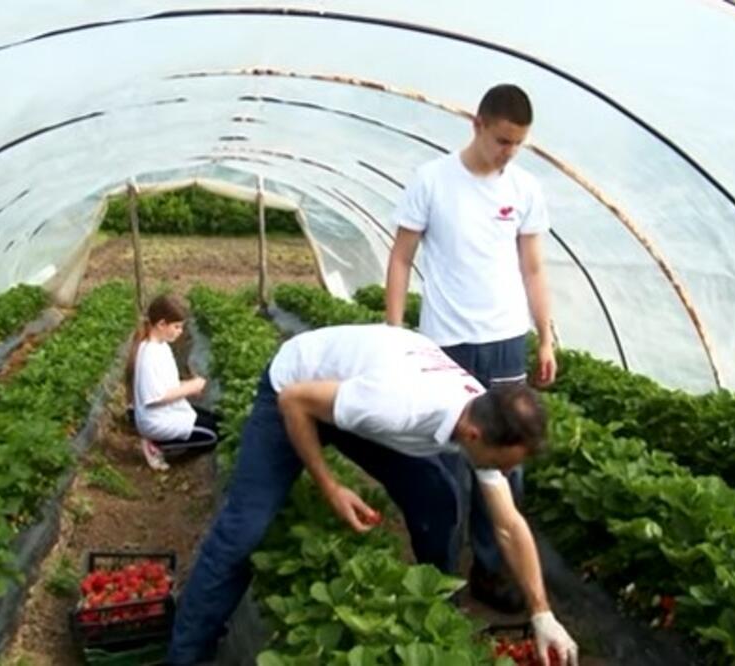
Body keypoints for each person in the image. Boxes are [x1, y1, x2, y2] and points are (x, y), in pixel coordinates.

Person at [167, 324, 577, 666]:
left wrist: (542, 612)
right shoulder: (400, 405)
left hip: (353, 392)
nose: (505, 471)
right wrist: (331, 486)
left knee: (438, 497)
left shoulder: (481, 415)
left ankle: (434, 604)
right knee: (244, 530)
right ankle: (186, 654)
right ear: (474, 436)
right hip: (293, 389)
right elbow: (296, 402)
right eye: (505, 462)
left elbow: (508, 525)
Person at [385, 83, 556, 612]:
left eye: (518, 144)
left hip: (506, 342)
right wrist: (394, 333)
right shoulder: (432, 181)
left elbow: (532, 267)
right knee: (445, 461)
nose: (508, 152)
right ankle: (439, 573)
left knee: (504, 462)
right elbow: (400, 258)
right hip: (448, 343)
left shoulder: (524, 189)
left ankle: (491, 568)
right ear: (477, 124)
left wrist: (545, 335)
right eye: (502, 140)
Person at [125, 294, 218, 472]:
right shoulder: (149, 355)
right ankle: (157, 446)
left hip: (169, 412)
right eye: (176, 327)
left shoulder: (161, 346)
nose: (180, 332)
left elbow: (169, 384)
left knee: (217, 423)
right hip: (156, 422)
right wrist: (191, 387)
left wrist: (188, 385)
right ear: (161, 324)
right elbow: (158, 396)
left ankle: (162, 444)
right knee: (211, 437)